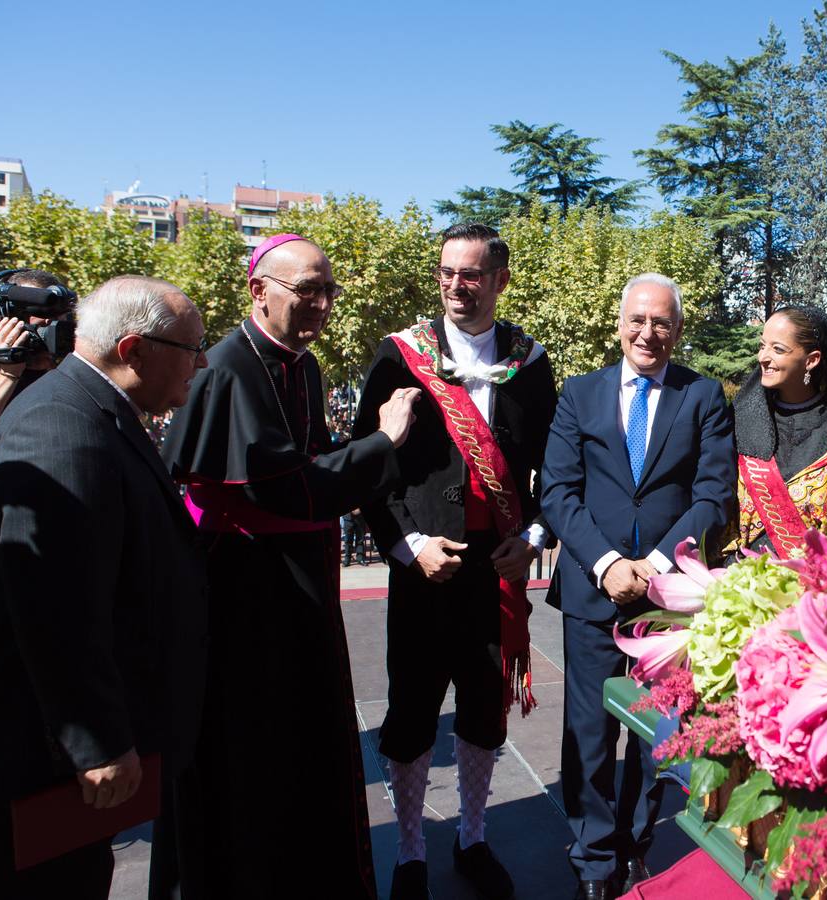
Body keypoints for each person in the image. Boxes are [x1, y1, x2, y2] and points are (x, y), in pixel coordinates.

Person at [156, 234, 420, 900]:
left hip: (297, 584)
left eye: (328, 291)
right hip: (242, 595)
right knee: (251, 757)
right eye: (307, 290)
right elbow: (285, 486)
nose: (322, 305)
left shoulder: (302, 366)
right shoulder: (222, 370)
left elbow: (311, 464)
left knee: (307, 747)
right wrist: (382, 441)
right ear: (258, 290)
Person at [0, 276, 209, 899]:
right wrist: (96, 744)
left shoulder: (91, 409)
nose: (202, 363)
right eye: (192, 347)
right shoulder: (62, 428)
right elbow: (53, 609)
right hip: (42, 761)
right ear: (134, 350)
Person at [356, 222, 557, 900]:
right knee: (411, 714)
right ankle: (410, 850)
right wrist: (407, 543)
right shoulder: (396, 358)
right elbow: (367, 468)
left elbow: (553, 470)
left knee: (483, 709)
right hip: (422, 566)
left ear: (500, 280)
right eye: (446, 271)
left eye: (471, 274)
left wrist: (531, 533)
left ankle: (473, 836)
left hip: (494, 570)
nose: (455, 285)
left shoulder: (530, 364)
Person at [541, 273, 734, 900]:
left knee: (656, 739)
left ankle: (634, 847)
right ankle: (594, 860)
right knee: (590, 736)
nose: (648, 333)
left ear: (678, 329)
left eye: (662, 323)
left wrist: (652, 564)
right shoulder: (579, 395)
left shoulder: (703, 396)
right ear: (619, 323)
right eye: (638, 320)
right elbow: (559, 493)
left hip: (668, 600)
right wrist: (605, 563)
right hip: (592, 593)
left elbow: (714, 496)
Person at [0, 268, 67, 617]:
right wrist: (6, 372)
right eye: (45, 320)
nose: (54, 331)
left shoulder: (59, 372)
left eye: (61, 320)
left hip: (43, 548)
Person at [728, 306, 827, 558]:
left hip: (819, 577)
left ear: (812, 360)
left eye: (778, 349)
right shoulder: (739, 418)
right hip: (741, 573)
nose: (763, 357)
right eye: (762, 346)